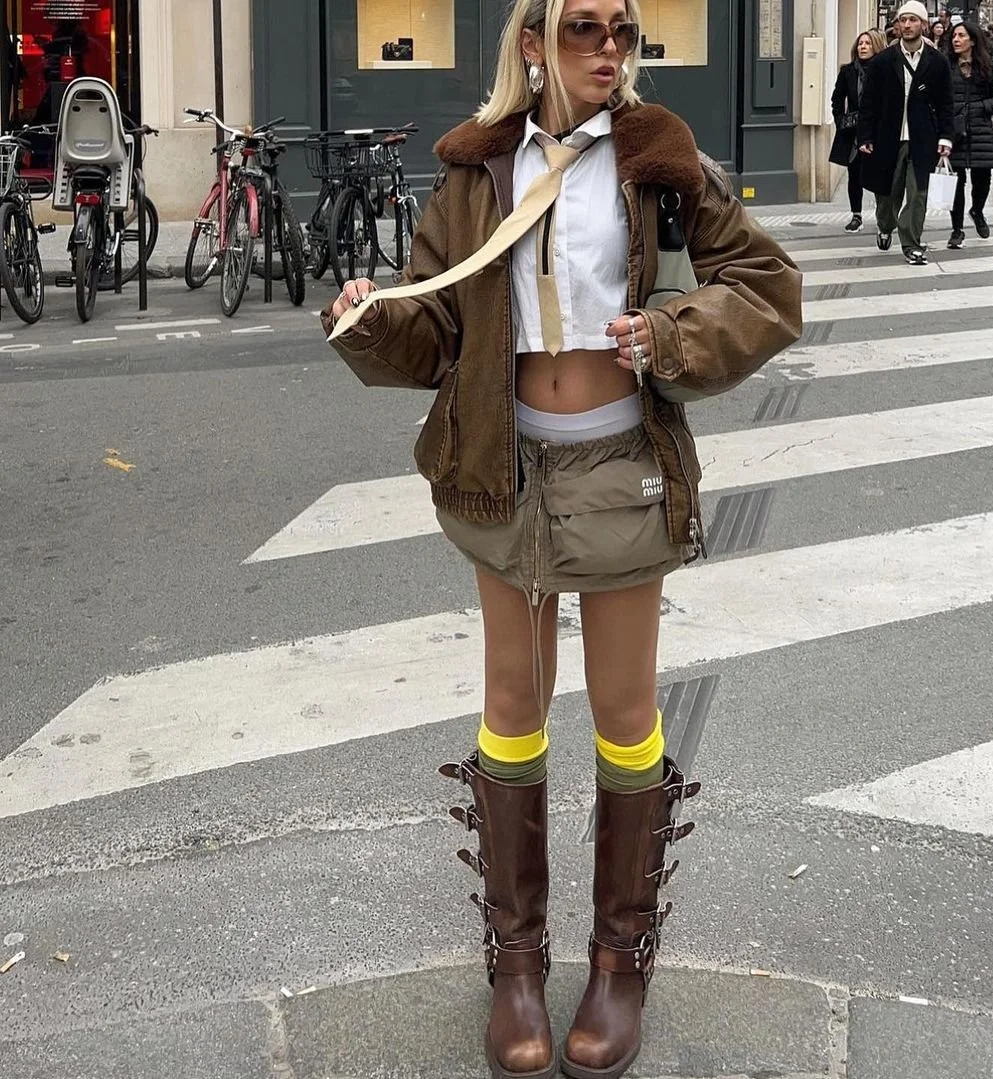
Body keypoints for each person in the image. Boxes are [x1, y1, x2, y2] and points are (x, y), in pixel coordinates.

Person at [322, 2, 804, 1077]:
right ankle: (517, 964)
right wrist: (370, 313)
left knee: (627, 712)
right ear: (532, 42)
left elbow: (767, 290)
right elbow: (437, 330)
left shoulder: (660, 159)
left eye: (626, 31)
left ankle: (620, 959)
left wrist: (671, 333)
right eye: (586, 27)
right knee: (511, 701)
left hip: (619, 467)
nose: (610, 50)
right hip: (504, 465)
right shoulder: (477, 172)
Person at [858, 0, 954, 266]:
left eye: (913, 20)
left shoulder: (938, 62)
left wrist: (946, 137)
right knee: (888, 193)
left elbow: (946, 102)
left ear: (923, 25)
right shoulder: (883, 62)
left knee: (917, 193)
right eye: (903, 20)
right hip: (888, 136)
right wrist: (865, 137)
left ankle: (911, 243)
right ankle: (885, 225)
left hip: (923, 139)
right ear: (898, 25)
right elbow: (869, 103)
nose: (908, 25)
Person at [944, 21, 993, 248]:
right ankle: (957, 229)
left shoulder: (988, 67)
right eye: (954, 36)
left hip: (981, 130)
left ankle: (977, 211)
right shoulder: (946, 66)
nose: (956, 40)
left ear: (972, 40)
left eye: (961, 36)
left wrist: (981, 107)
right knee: (956, 182)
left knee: (983, 180)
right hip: (955, 131)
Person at [830, 29, 888, 232]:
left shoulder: (884, 70)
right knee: (854, 174)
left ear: (876, 46)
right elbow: (837, 98)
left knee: (880, 174)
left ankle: (884, 217)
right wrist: (840, 120)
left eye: (868, 43)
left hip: (878, 130)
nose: (863, 47)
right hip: (854, 131)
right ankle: (856, 215)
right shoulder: (848, 71)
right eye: (860, 43)